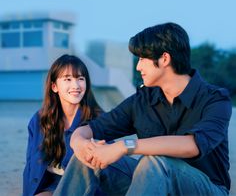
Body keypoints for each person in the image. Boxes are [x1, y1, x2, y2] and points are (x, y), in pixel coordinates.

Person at [54, 22, 232, 196]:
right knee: (89, 156)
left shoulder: (215, 99)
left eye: (142, 59)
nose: (138, 67)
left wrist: (125, 146)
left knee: (154, 161)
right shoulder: (143, 100)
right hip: (150, 183)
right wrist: (80, 144)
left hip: (205, 189)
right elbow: (90, 129)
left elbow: (193, 145)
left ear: (164, 59)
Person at [22, 54, 103, 196]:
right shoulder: (39, 120)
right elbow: (30, 167)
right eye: (68, 79)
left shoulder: (98, 119)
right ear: (54, 87)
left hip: (83, 186)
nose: (76, 86)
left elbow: (109, 169)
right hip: (49, 183)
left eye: (80, 79)